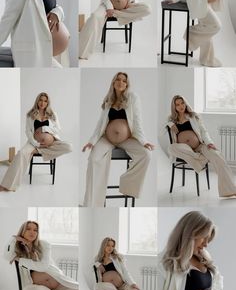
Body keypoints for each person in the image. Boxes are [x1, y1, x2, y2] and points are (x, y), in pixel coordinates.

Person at [82, 72, 154, 207]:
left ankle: (126, 184)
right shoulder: (108, 100)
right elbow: (100, 123)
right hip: (107, 139)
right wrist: (91, 141)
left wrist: (144, 141)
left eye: (124, 81)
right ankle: (91, 203)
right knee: (93, 159)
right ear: (113, 82)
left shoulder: (133, 98)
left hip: (127, 139)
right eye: (118, 80)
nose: (121, 82)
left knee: (146, 154)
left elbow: (138, 122)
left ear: (127, 84)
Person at [0, 92, 72, 192]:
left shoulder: (52, 114)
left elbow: (58, 129)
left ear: (48, 103)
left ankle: (40, 151)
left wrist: (45, 127)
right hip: (34, 143)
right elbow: (28, 131)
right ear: (37, 101)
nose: (43, 103)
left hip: (51, 143)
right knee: (21, 154)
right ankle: (7, 185)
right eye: (41, 100)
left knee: (69, 147)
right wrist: (35, 144)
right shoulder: (30, 114)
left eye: (45, 101)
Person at [167, 95, 236, 197]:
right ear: (174, 107)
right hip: (186, 150)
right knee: (171, 148)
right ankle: (201, 160)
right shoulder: (172, 120)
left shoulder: (193, 116)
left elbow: (204, 131)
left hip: (200, 146)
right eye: (177, 104)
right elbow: (163, 128)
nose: (181, 106)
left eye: (182, 103)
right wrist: (169, 124)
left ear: (185, 103)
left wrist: (209, 143)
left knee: (218, 157)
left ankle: (230, 190)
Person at [5, 221, 78, 290]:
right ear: (22, 231)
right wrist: (13, 238)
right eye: (28, 229)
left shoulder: (44, 245)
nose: (32, 232)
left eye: (35, 230)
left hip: (59, 284)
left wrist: (20, 260)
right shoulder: (17, 248)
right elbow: (6, 256)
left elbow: (43, 266)